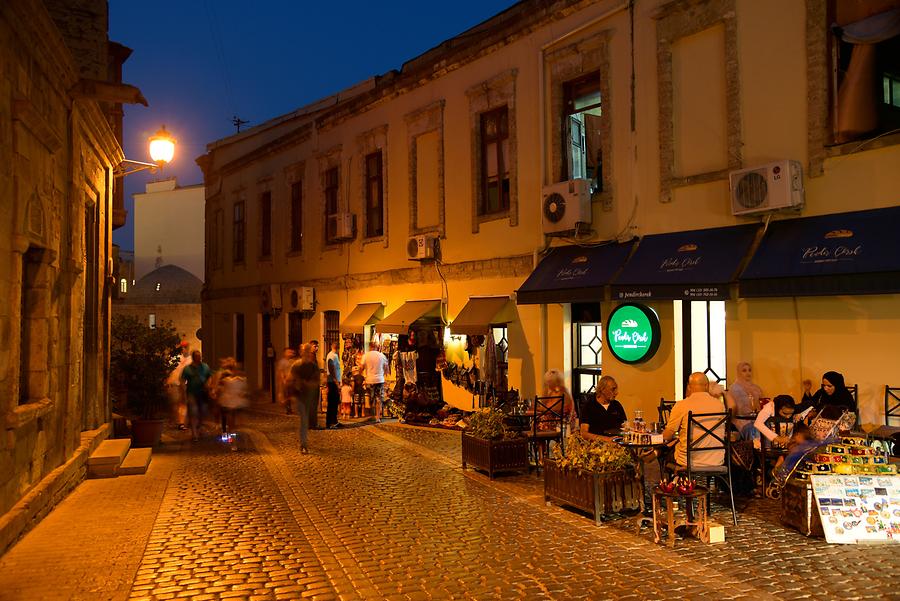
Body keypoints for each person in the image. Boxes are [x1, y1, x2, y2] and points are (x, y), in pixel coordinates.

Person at [663, 372, 725, 468]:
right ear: (707, 386)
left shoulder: (681, 405)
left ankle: (675, 481)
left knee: (664, 453)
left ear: (689, 387)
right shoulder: (719, 405)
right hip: (716, 460)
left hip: (689, 461)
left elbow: (667, 435)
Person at [288, 343, 320, 454]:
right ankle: (303, 444)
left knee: (307, 420)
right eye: (304, 350)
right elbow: (289, 380)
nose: (306, 352)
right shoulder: (296, 365)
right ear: (301, 352)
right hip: (300, 397)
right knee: (304, 421)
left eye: (308, 350)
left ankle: (304, 443)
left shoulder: (313, 366)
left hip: (310, 397)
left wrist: (308, 384)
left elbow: (316, 381)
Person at [580, 376, 627, 441]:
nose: (616, 393)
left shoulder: (616, 405)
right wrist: (606, 439)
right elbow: (584, 433)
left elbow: (624, 426)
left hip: (617, 444)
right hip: (596, 446)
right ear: (602, 389)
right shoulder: (589, 406)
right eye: (613, 389)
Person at [726, 361, 765, 438]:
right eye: (744, 371)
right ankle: (755, 449)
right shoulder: (734, 388)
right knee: (753, 429)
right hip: (741, 420)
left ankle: (765, 449)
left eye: (749, 370)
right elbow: (736, 408)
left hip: (756, 418)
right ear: (739, 372)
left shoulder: (756, 388)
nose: (748, 373)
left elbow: (762, 404)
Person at [181, 350, 211, 442]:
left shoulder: (205, 367)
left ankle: (200, 427)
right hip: (191, 393)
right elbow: (182, 380)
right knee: (193, 412)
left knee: (202, 411)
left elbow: (209, 376)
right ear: (193, 357)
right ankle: (194, 433)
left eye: (200, 356)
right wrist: (183, 391)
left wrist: (208, 385)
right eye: (197, 356)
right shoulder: (187, 369)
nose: (199, 358)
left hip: (203, 393)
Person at [215, 360, 248, 437]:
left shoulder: (240, 378)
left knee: (233, 415)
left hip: (233, 400)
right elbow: (219, 385)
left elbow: (244, 389)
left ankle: (231, 430)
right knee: (227, 414)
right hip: (227, 400)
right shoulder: (225, 375)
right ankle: (227, 431)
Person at [166, 342, 191, 430]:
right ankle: (175, 421)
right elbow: (168, 370)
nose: (184, 349)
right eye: (183, 347)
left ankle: (181, 423)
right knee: (174, 403)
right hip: (174, 383)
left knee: (183, 403)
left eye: (185, 347)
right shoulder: (174, 358)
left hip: (186, 384)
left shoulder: (191, 359)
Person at [363, 341, 388, 423]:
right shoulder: (382, 356)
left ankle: (372, 415)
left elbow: (361, 367)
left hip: (369, 380)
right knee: (378, 399)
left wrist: (361, 375)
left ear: (370, 347)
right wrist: (384, 373)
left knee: (370, 398)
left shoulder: (366, 356)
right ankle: (377, 417)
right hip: (379, 380)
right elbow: (386, 368)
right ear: (377, 347)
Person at [325, 340, 342, 428]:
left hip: (334, 381)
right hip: (332, 382)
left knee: (335, 402)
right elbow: (331, 368)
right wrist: (336, 382)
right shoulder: (331, 355)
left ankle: (334, 421)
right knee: (332, 403)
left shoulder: (334, 355)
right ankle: (330, 423)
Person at [276, 347, 296, 415]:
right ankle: (288, 409)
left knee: (290, 395)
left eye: (291, 352)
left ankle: (289, 408)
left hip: (291, 381)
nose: (290, 354)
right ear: (285, 353)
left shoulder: (292, 361)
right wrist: (283, 380)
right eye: (289, 352)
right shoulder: (282, 362)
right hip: (286, 381)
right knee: (287, 395)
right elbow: (281, 372)